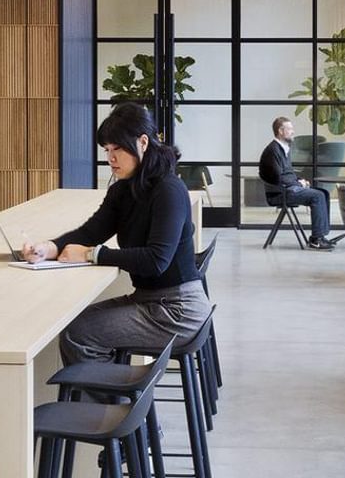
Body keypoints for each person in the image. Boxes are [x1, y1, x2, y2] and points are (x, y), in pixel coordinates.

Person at [23, 102, 211, 366]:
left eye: (118, 149)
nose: (110, 158)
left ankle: (112, 406)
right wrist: (49, 248)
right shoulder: (123, 189)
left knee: (79, 333)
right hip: (149, 301)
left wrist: (92, 255)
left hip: (177, 310)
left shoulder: (169, 189)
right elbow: (92, 231)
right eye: (107, 150)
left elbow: (157, 260)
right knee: (76, 326)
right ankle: (113, 401)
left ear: (143, 142)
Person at [258, 115, 335, 250]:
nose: (293, 131)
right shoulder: (273, 150)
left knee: (324, 193)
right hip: (279, 193)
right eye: (290, 129)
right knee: (317, 196)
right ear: (280, 131)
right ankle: (316, 240)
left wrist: (299, 180)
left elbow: (287, 174)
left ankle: (320, 236)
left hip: (288, 188)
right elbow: (278, 178)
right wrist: (299, 184)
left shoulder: (283, 149)